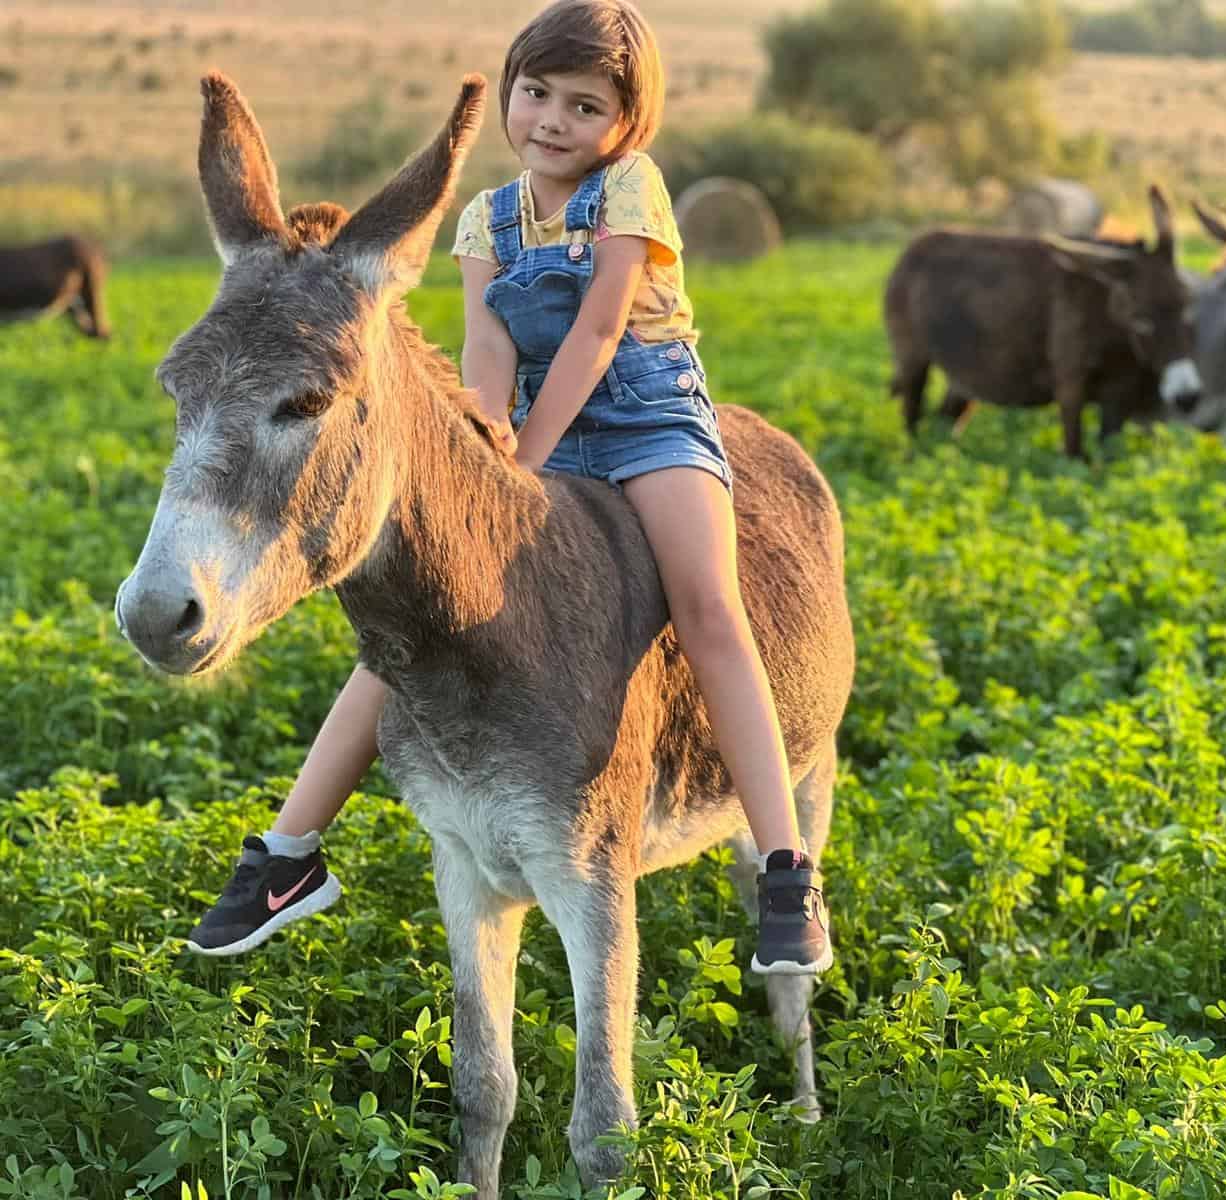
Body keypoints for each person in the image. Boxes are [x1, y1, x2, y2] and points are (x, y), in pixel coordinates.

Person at [186, 0, 833, 976]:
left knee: (708, 606)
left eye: (584, 106)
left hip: (649, 419)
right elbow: (487, 349)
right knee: (407, 629)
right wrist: (484, 460)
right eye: (536, 94)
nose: (552, 121)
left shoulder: (630, 191)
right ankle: (286, 855)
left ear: (626, 124)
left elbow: (600, 331)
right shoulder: (489, 217)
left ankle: (785, 869)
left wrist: (517, 457)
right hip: (536, 432)